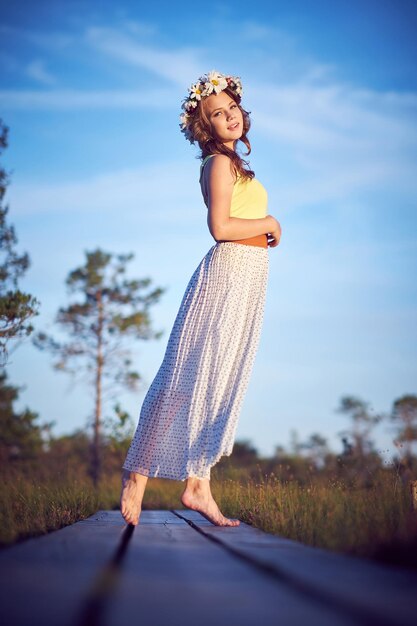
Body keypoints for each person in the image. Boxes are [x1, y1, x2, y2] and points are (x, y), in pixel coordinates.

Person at [120, 70, 282, 527]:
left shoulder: (234, 163)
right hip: (227, 274)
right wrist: (269, 222)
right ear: (204, 126)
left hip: (248, 277)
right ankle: (137, 474)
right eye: (217, 113)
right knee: (181, 380)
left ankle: (198, 485)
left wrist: (264, 228)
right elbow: (220, 228)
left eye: (232, 108)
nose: (229, 116)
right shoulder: (218, 164)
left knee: (219, 382)